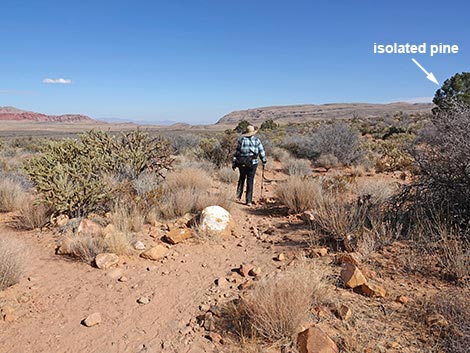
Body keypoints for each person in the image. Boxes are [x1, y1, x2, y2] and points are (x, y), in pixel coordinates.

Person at [232, 125, 267, 206]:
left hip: (242, 163)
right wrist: (263, 160)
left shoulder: (241, 140)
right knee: (250, 180)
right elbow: (261, 151)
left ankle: (238, 196)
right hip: (253, 162)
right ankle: (249, 201)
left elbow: (237, 152)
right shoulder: (256, 140)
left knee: (241, 178)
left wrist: (234, 162)